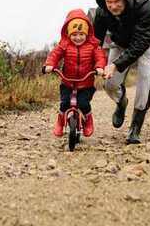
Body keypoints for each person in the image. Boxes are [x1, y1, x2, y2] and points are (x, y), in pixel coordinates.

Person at [93, 0, 150, 144]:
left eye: (117, 2)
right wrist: (92, 63)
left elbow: (141, 42)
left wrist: (116, 64)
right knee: (109, 84)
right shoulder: (102, 12)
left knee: (144, 79)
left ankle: (135, 127)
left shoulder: (144, 4)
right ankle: (121, 102)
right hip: (120, 42)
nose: (113, 6)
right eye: (109, 2)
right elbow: (95, 42)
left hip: (147, 42)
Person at [44, 9, 106, 137]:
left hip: (86, 83)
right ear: (68, 34)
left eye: (81, 34)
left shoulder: (93, 46)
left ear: (87, 33)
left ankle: (88, 121)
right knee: (65, 103)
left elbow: (100, 57)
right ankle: (60, 122)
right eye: (74, 34)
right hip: (67, 82)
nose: (78, 38)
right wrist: (50, 65)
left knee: (83, 103)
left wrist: (99, 67)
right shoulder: (64, 45)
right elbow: (54, 55)